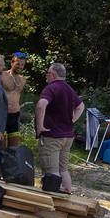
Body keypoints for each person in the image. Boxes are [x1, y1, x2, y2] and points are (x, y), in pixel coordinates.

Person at [35, 62, 85, 193]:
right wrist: (72, 120)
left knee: (52, 171)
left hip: (52, 136)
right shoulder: (69, 89)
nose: (46, 75)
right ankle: (67, 191)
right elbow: (81, 106)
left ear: (53, 74)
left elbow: (41, 105)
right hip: (67, 136)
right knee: (63, 169)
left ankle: (51, 202)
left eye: (47, 73)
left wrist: (40, 127)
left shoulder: (51, 88)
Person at [1, 52, 28, 148]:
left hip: (15, 114)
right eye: (18, 64)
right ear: (12, 63)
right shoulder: (2, 75)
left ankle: (11, 161)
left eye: (22, 65)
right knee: (1, 144)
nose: (20, 66)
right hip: (2, 113)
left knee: (14, 146)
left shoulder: (23, 80)